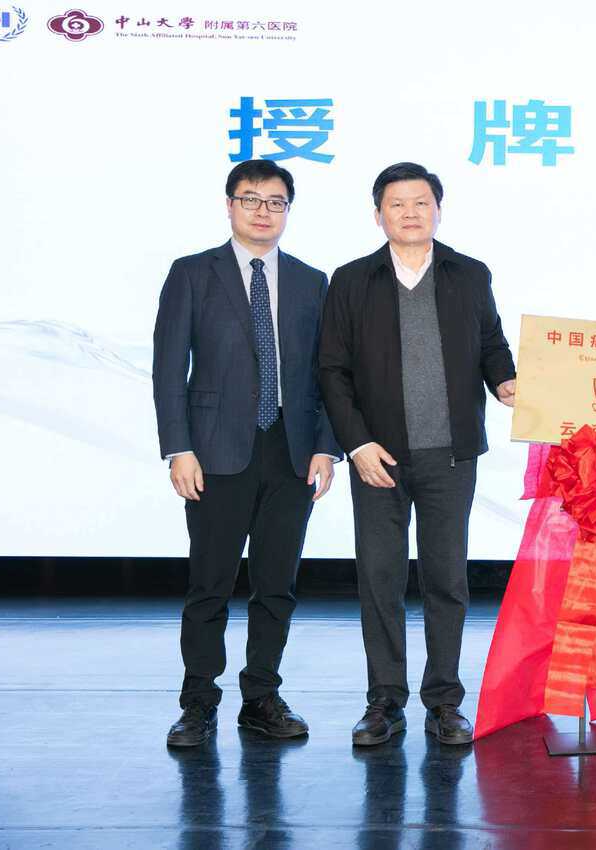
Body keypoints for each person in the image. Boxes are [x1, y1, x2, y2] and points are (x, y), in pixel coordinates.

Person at [318, 162, 516, 747]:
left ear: (438, 210)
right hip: (377, 458)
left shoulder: (469, 274)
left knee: (446, 579)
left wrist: (506, 381)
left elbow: (491, 344)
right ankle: (384, 700)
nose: (410, 213)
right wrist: (356, 444)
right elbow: (332, 369)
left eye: (421, 202)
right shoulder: (352, 280)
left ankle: (444, 701)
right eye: (397, 204)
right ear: (378, 214)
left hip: (451, 456)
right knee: (380, 579)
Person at [153, 159, 340, 748]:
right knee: (209, 584)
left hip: (292, 450)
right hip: (213, 452)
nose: (264, 211)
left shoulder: (312, 281)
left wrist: (326, 447)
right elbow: (168, 368)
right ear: (229, 204)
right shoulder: (192, 272)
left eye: (276, 202)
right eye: (251, 199)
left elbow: (329, 373)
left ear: (288, 210)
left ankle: (261, 697)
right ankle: (197, 703)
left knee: (276, 584)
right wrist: (178, 447)